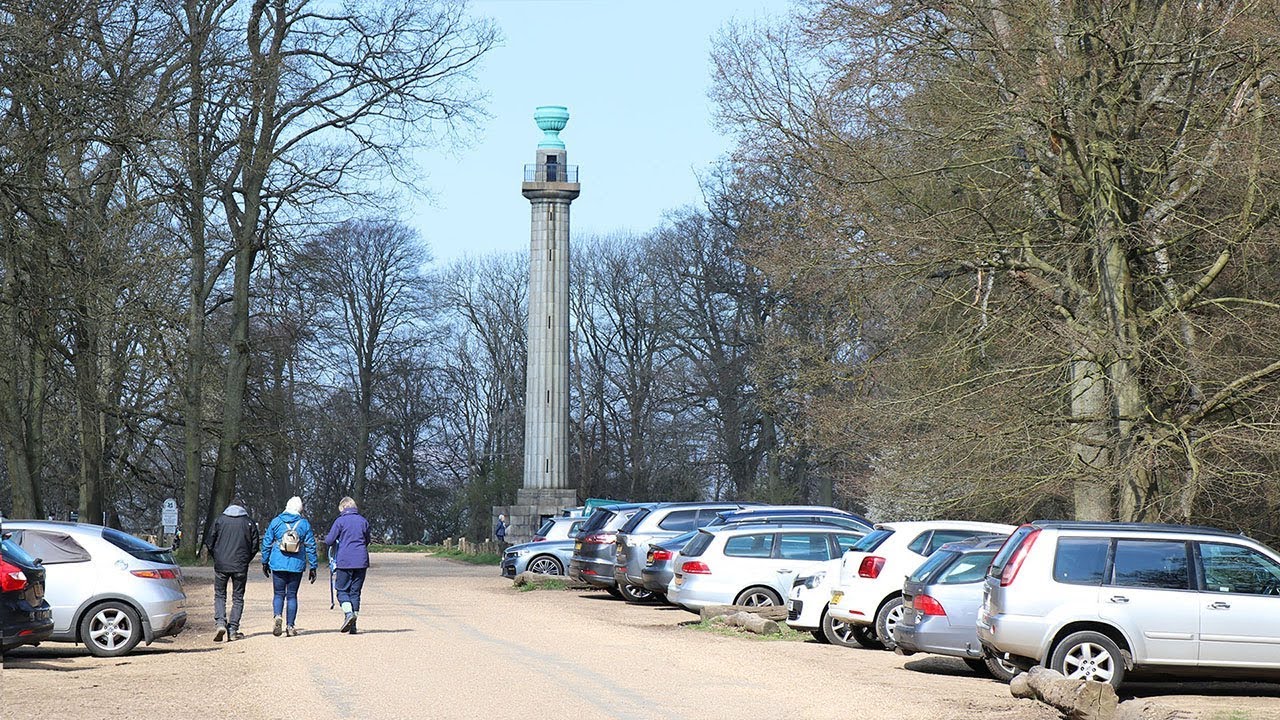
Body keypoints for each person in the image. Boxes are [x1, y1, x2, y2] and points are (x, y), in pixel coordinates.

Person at [260, 496, 318, 637]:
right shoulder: (304, 524)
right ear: (300, 509)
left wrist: (265, 561)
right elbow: (311, 546)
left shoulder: (276, 521)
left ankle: (277, 616)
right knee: (292, 595)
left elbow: (267, 542)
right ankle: (290, 626)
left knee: (278, 593)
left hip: (278, 563)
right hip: (296, 564)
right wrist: (313, 566)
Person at [204, 499, 260, 642]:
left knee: (220, 594)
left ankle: (220, 623)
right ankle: (233, 629)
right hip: (240, 565)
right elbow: (255, 546)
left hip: (221, 565)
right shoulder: (249, 522)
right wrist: (246, 560)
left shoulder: (219, 520)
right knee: (238, 597)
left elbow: (209, 542)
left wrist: (217, 557)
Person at [324, 496, 371, 634]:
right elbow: (367, 540)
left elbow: (329, 540)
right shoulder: (363, 521)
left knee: (342, 590)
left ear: (343, 508)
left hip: (345, 561)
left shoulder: (340, 521)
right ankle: (353, 625)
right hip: (361, 560)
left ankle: (348, 613)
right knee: (355, 592)